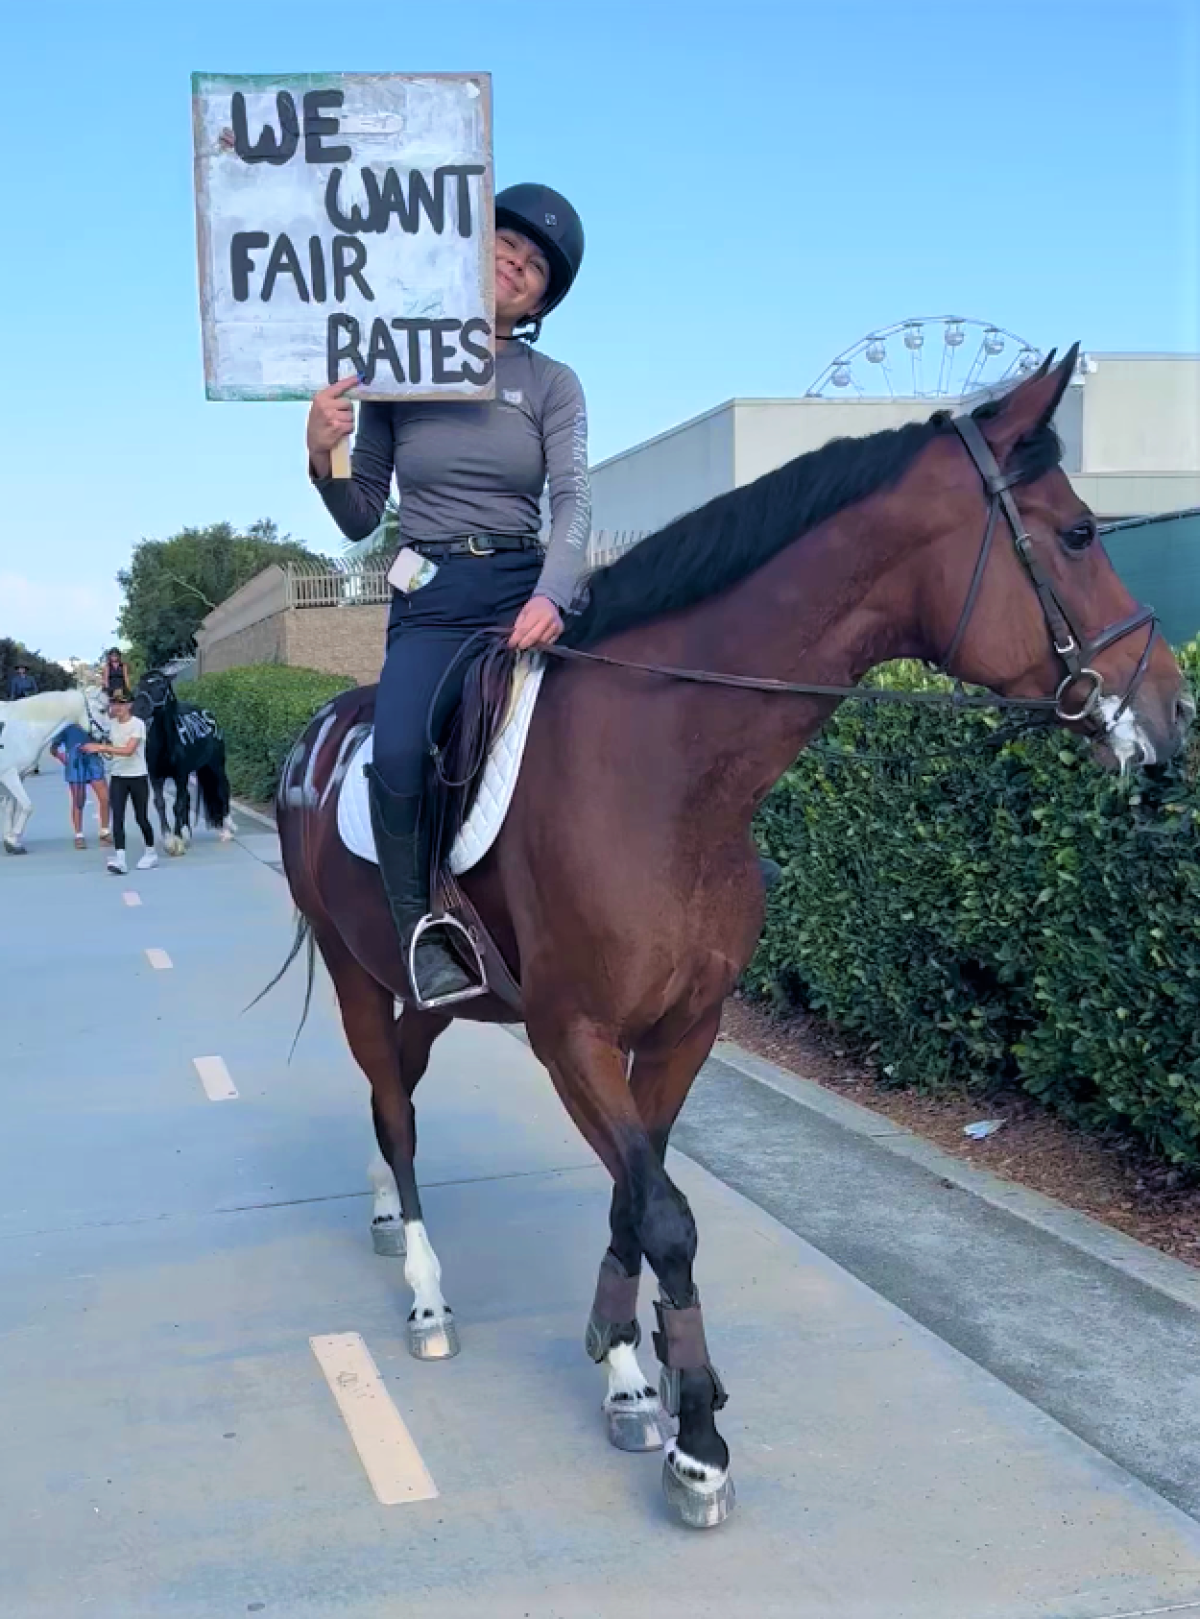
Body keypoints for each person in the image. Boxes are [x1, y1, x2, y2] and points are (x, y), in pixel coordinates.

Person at [306, 183, 590, 1007]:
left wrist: (554, 592)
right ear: (470, 247)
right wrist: (323, 451)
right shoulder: (397, 370)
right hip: (431, 593)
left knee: (643, 681)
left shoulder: (551, 382)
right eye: (507, 243)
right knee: (396, 753)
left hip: (524, 583)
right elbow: (361, 513)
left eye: (537, 264)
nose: (518, 263)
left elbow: (573, 496)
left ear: (543, 295)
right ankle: (422, 931)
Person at [81, 690, 158, 875]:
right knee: (118, 818)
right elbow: (106, 741)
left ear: (130, 705)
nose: (118, 707)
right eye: (115, 703)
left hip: (138, 776)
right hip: (118, 776)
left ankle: (150, 852)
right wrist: (99, 746)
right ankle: (120, 858)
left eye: (122, 704)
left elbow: (129, 750)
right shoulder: (111, 724)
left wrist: (99, 747)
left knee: (141, 817)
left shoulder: (137, 725)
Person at [50, 722, 111, 849]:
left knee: (105, 797)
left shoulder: (92, 720)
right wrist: (62, 757)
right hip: (75, 762)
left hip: (93, 760)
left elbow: (105, 737)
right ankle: (79, 835)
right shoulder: (67, 725)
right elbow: (53, 748)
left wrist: (100, 746)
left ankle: (104, 832)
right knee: (78, 800)